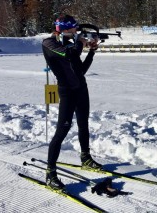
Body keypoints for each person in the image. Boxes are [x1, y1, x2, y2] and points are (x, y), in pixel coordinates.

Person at [42, 14, 103, 190]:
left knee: (84, 124)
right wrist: (80, 42)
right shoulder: (49, 43)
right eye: (73, 29)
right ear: (64, 29)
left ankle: (86, 158)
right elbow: (70, 53)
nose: (76, 31)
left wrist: (91, 51)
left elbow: (81, 69)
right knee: (62, 130)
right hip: (67, 92)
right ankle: (50, 174)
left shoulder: (70, 43)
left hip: (81, 89)